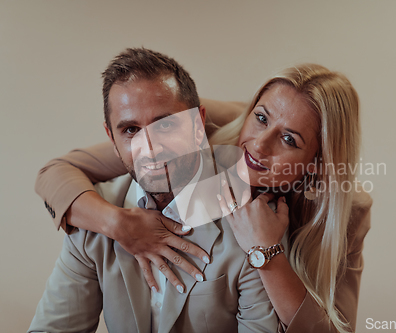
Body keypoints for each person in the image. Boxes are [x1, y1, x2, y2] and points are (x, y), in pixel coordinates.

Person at [35, 58, 372, 332]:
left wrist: (265, 254)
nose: (258, 144)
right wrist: (119, 224)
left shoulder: (346, 211)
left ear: (317, 164)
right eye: (260, 118)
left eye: (289, 140)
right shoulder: (195, 132)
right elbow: (55, 173)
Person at [29, 48, 278, 333]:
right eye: (131, 130)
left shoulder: (252, 221)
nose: (150, 148)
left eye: (167, 124)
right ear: (111, 138)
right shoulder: (91, 222)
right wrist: (117, 224)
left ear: (199, 125)